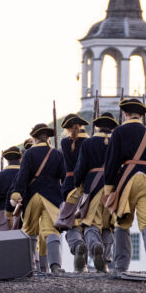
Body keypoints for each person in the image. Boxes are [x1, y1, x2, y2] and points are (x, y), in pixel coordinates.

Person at [103, 98, 146, 275]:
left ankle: (121, 266)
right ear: (141, 115)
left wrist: (109, 189)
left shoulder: (119, 132)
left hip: (128, 179)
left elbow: (112, 162)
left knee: (122, 222)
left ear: (125, 114)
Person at [10, 123, 67, 274]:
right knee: (52, 230)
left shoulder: (28, 154)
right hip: (52, 198)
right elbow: (64, 177)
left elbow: (22, 177)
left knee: (29, 230)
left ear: (34, 138)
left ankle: (30, 267)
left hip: (33, 197)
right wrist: (64, 196)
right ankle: (55, 266)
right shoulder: (57, 154)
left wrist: (17, 193)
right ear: (47, 138)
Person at [73, 114, 117, 272]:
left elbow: (80, 169)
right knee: (108, 227)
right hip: (113, 189)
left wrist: (78, 184)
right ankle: (105, 261)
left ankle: (95, 246)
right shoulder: (117, 143)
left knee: (91, 224)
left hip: (93, 187)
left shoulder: (88, 143)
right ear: (112, 127)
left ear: (97, 126)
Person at [59, 114, 90, 270]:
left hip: (69, 186)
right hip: (87, 186)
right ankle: (84, 262)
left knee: (71, 224)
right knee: (88, 222)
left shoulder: (64, 143)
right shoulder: (89, 142)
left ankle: (77, 246)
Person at [0, 147, 22, 230]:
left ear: (7, 161)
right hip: (23, 215)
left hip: (1, 216)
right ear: (20, 158)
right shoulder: (26, 175)